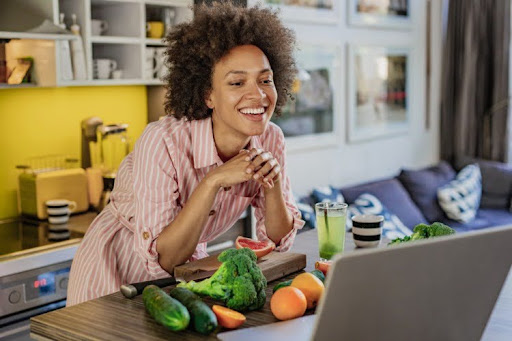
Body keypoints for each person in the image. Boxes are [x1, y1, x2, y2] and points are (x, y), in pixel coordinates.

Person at [67, 2, 304, 305]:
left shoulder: (270, 138)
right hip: (115, 275)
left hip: (188, 275)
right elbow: (165, 258)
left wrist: (272, 185)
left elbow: (278, 241)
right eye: (236, 82)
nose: (258, 94)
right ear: (208, 94)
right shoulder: (163, 141)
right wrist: (213, 180)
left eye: (265, 79)